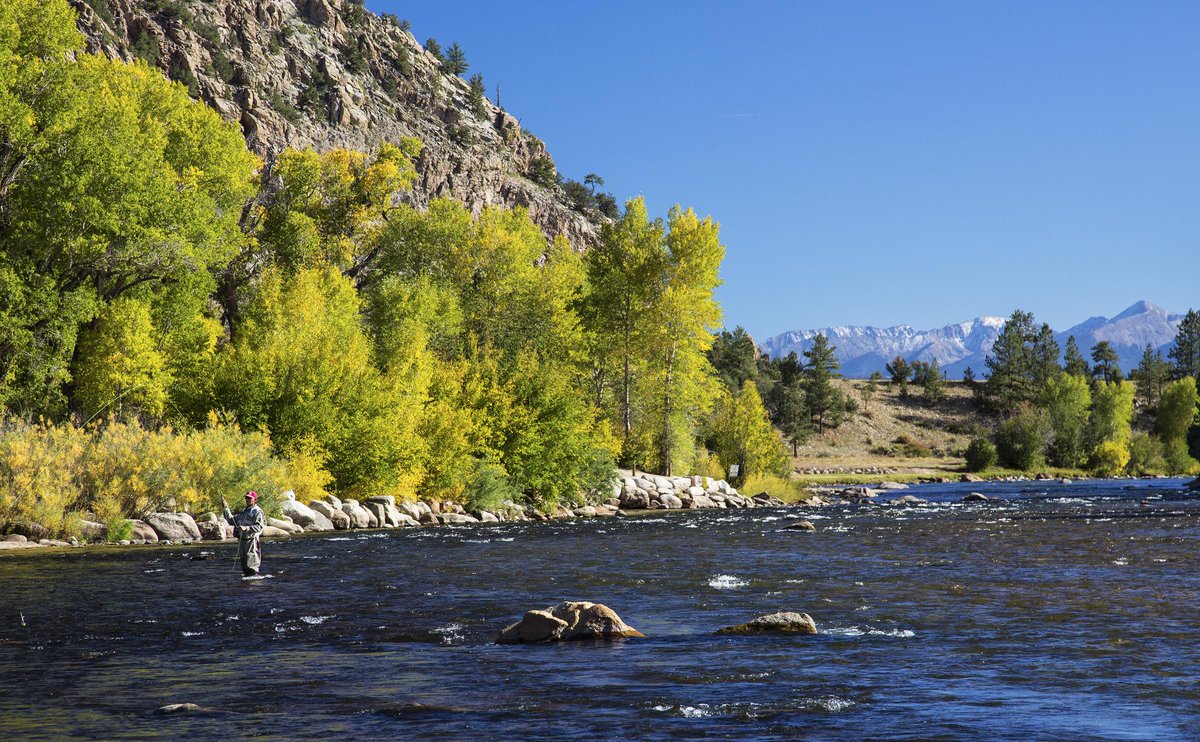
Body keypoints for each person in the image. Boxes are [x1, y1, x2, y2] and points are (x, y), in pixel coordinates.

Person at [224, 491, 265, 577]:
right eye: (246, 498)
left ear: (255, 500)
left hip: (251, 540)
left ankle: (254, 581)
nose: (247, 500)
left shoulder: (257, 511)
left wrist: (246, 528)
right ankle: (247, 582)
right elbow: (231, 520)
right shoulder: (244, 511)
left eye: (249, 498)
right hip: (242, 540)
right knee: (245, 566)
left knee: (252, 565)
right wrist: (225, 507)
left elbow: (259, 527)